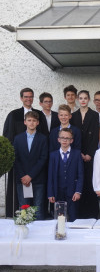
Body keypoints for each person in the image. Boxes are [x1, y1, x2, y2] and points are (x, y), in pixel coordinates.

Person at [3, 88, 47, 217]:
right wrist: (22, 174)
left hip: (37, 173)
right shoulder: (14, 115)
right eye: (26, 97)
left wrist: (31, 174)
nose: (28, 99)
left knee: (38, 207)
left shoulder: (40, 115)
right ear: (21, 98)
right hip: (21, 170)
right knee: (23, 207)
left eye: (31, 96)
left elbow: (43, 152)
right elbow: (8, 136)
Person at [13, 111, 48, 220]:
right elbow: (16, 159)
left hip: (38, 179)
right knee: (24, 210)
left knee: (38, 209)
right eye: (29, 120)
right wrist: (24, 176)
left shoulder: (43, 139)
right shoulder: (18, 139)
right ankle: (24, 234)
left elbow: (43, 159)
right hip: (22, 179)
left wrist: (31, 175)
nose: (31, 123)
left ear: (37, 123)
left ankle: (39, 236)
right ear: (25, 122)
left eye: (34, 121)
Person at [71, 90, 100, 219]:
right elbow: (74, 136)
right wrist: (80, 153)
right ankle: (80, 213)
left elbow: (95, 136)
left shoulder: (94, 115)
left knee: (90, 181)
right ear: (78, 99)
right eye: (81, 98)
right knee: (79, 182)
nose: (83, 100)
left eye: (85, 98)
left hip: (90, 154)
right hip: (77, 154)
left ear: (89, 100)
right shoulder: (73, 115)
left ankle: (92, 213)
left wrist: (90, 154)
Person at [47, 128, 84, 222]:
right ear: (58, 139)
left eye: (67, 138)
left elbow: (80, 174)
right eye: (62, 137)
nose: (64, 140)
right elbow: (50, 176)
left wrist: (78, 191)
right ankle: (60, 234)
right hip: (57, 191)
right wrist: (50, 193)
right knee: (59, 218)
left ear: (71, 140)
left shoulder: (77, 154)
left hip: (72, 192)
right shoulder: (53, 155)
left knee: (73, 217)